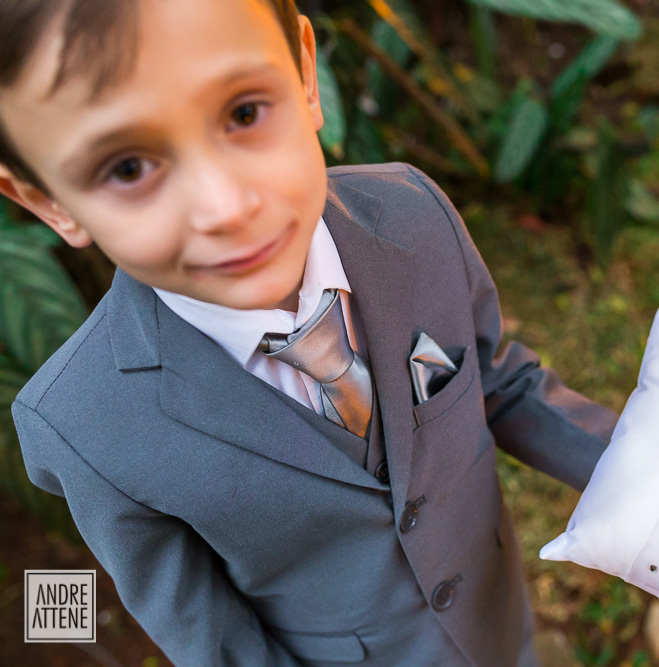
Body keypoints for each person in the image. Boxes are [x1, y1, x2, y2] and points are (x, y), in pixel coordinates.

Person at [0, 0, 620, 664]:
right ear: (48, 201)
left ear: (304, 71)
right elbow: (216, 644)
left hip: (499, 619)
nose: (227, 207)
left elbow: (503, 383)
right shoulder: (83, 426)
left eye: (243, 113)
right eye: (127, 168)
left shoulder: (413, 210)